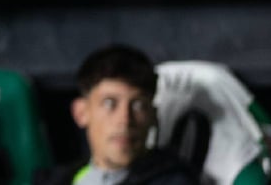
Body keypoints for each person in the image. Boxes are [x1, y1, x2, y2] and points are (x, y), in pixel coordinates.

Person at [35, 45, 198, 185]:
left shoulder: (174, 180)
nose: (125, 120)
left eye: (138, 105)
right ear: (81, 112)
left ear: (153, 116)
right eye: (109, 103)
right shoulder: (56, 179)